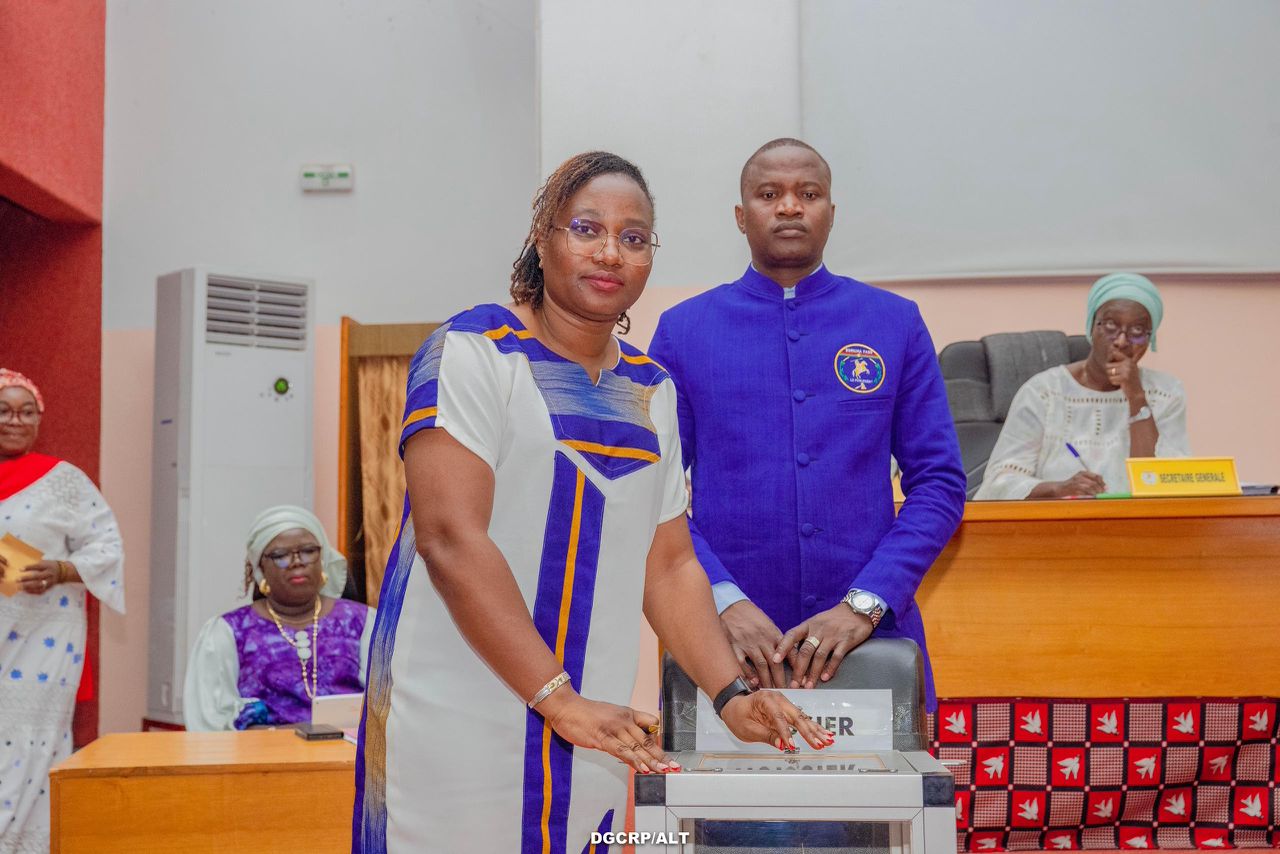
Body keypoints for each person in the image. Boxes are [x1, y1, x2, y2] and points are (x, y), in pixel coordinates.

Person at [353, 151, 832, 854]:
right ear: (542, 237)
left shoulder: (652, 389)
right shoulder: (475, 352)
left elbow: (670, 566)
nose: (611, 253)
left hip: (594, 731)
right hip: (457, 720)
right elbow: (450, 538)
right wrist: (557, 697)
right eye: (587, 229)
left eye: (634, 238)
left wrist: (732, 696)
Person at [647, 139, 966, 708]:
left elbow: (939, 483)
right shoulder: (684, 331)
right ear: (741, 215)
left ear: (831, 212)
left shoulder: (894, 323)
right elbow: (654, 489)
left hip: (872, 639)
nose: (790, 206)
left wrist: (867, 603)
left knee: (882, 775)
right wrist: (720, 600)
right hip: (727, 647)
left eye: (808, 194)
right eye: (770, 194)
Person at [0, 369, 125, 853]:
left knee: (31, 747)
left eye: (26, 411)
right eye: (4, 410)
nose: (15, 420)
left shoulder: (64, 480)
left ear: (39, 419)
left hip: (44, 646)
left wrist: (61, 570)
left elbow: (107, 547)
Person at [975, 272, 1189, 500]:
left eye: (1137, 330)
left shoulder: (1166, 393)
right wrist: (1059, 488)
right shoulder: (1044, 392)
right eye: (1110, 325)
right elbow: (998, 484)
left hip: (1136, 521)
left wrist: (1136, 396)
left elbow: (1165, 484)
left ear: (1149, 339)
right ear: (1091, 327)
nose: (1121, 341)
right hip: (1059, 519)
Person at [183, 505, 373, 730]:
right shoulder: (227, 632)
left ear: (322, 559)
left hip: (349, 751)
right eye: (280, 555)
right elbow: (210, 725)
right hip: (262, 752)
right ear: (259, 567)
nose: (297, 561)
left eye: (308, 551)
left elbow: (391, 705)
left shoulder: (363, 622)